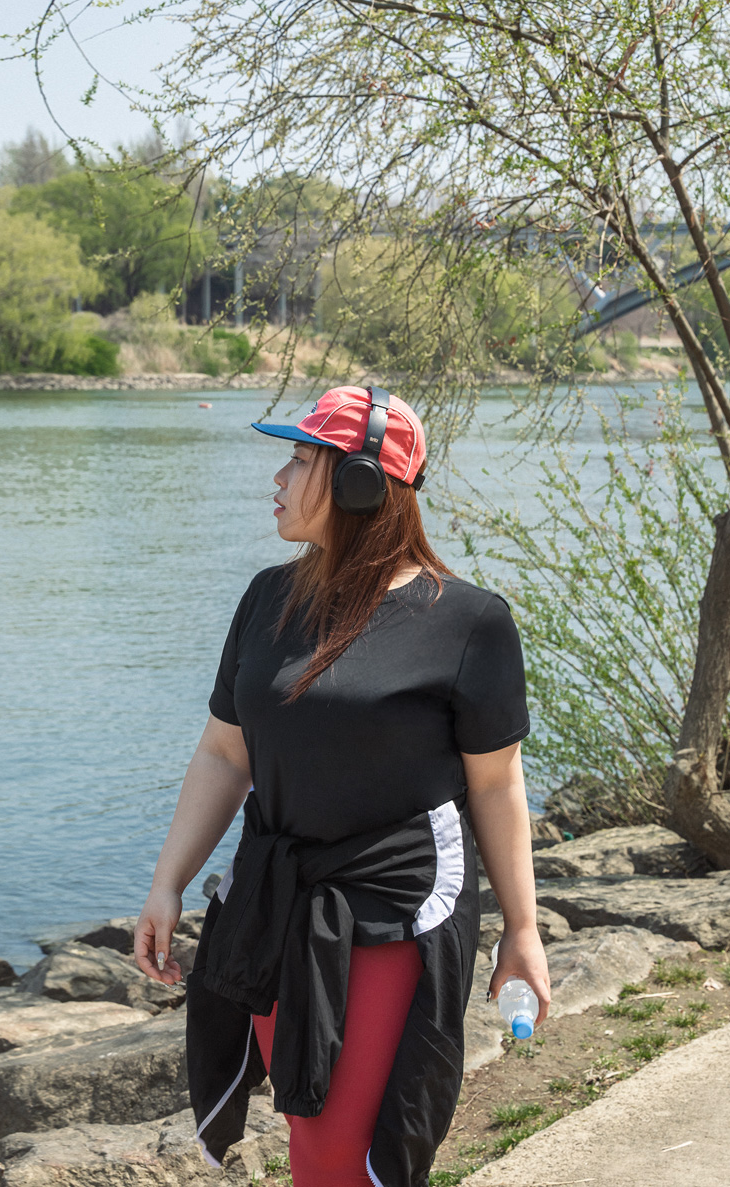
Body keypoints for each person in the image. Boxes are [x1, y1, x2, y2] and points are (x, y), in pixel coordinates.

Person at [134, 385, 551, 1187]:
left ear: (360, 484)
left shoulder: (470, 623)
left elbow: (497, 786)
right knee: (310, 1138)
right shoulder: (267, 597)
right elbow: (224, 753)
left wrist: (523, 930)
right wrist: (168, 882)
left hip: (397, 909)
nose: (279, 478)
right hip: (276, 901)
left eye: (300, 460)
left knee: (343, 1153)